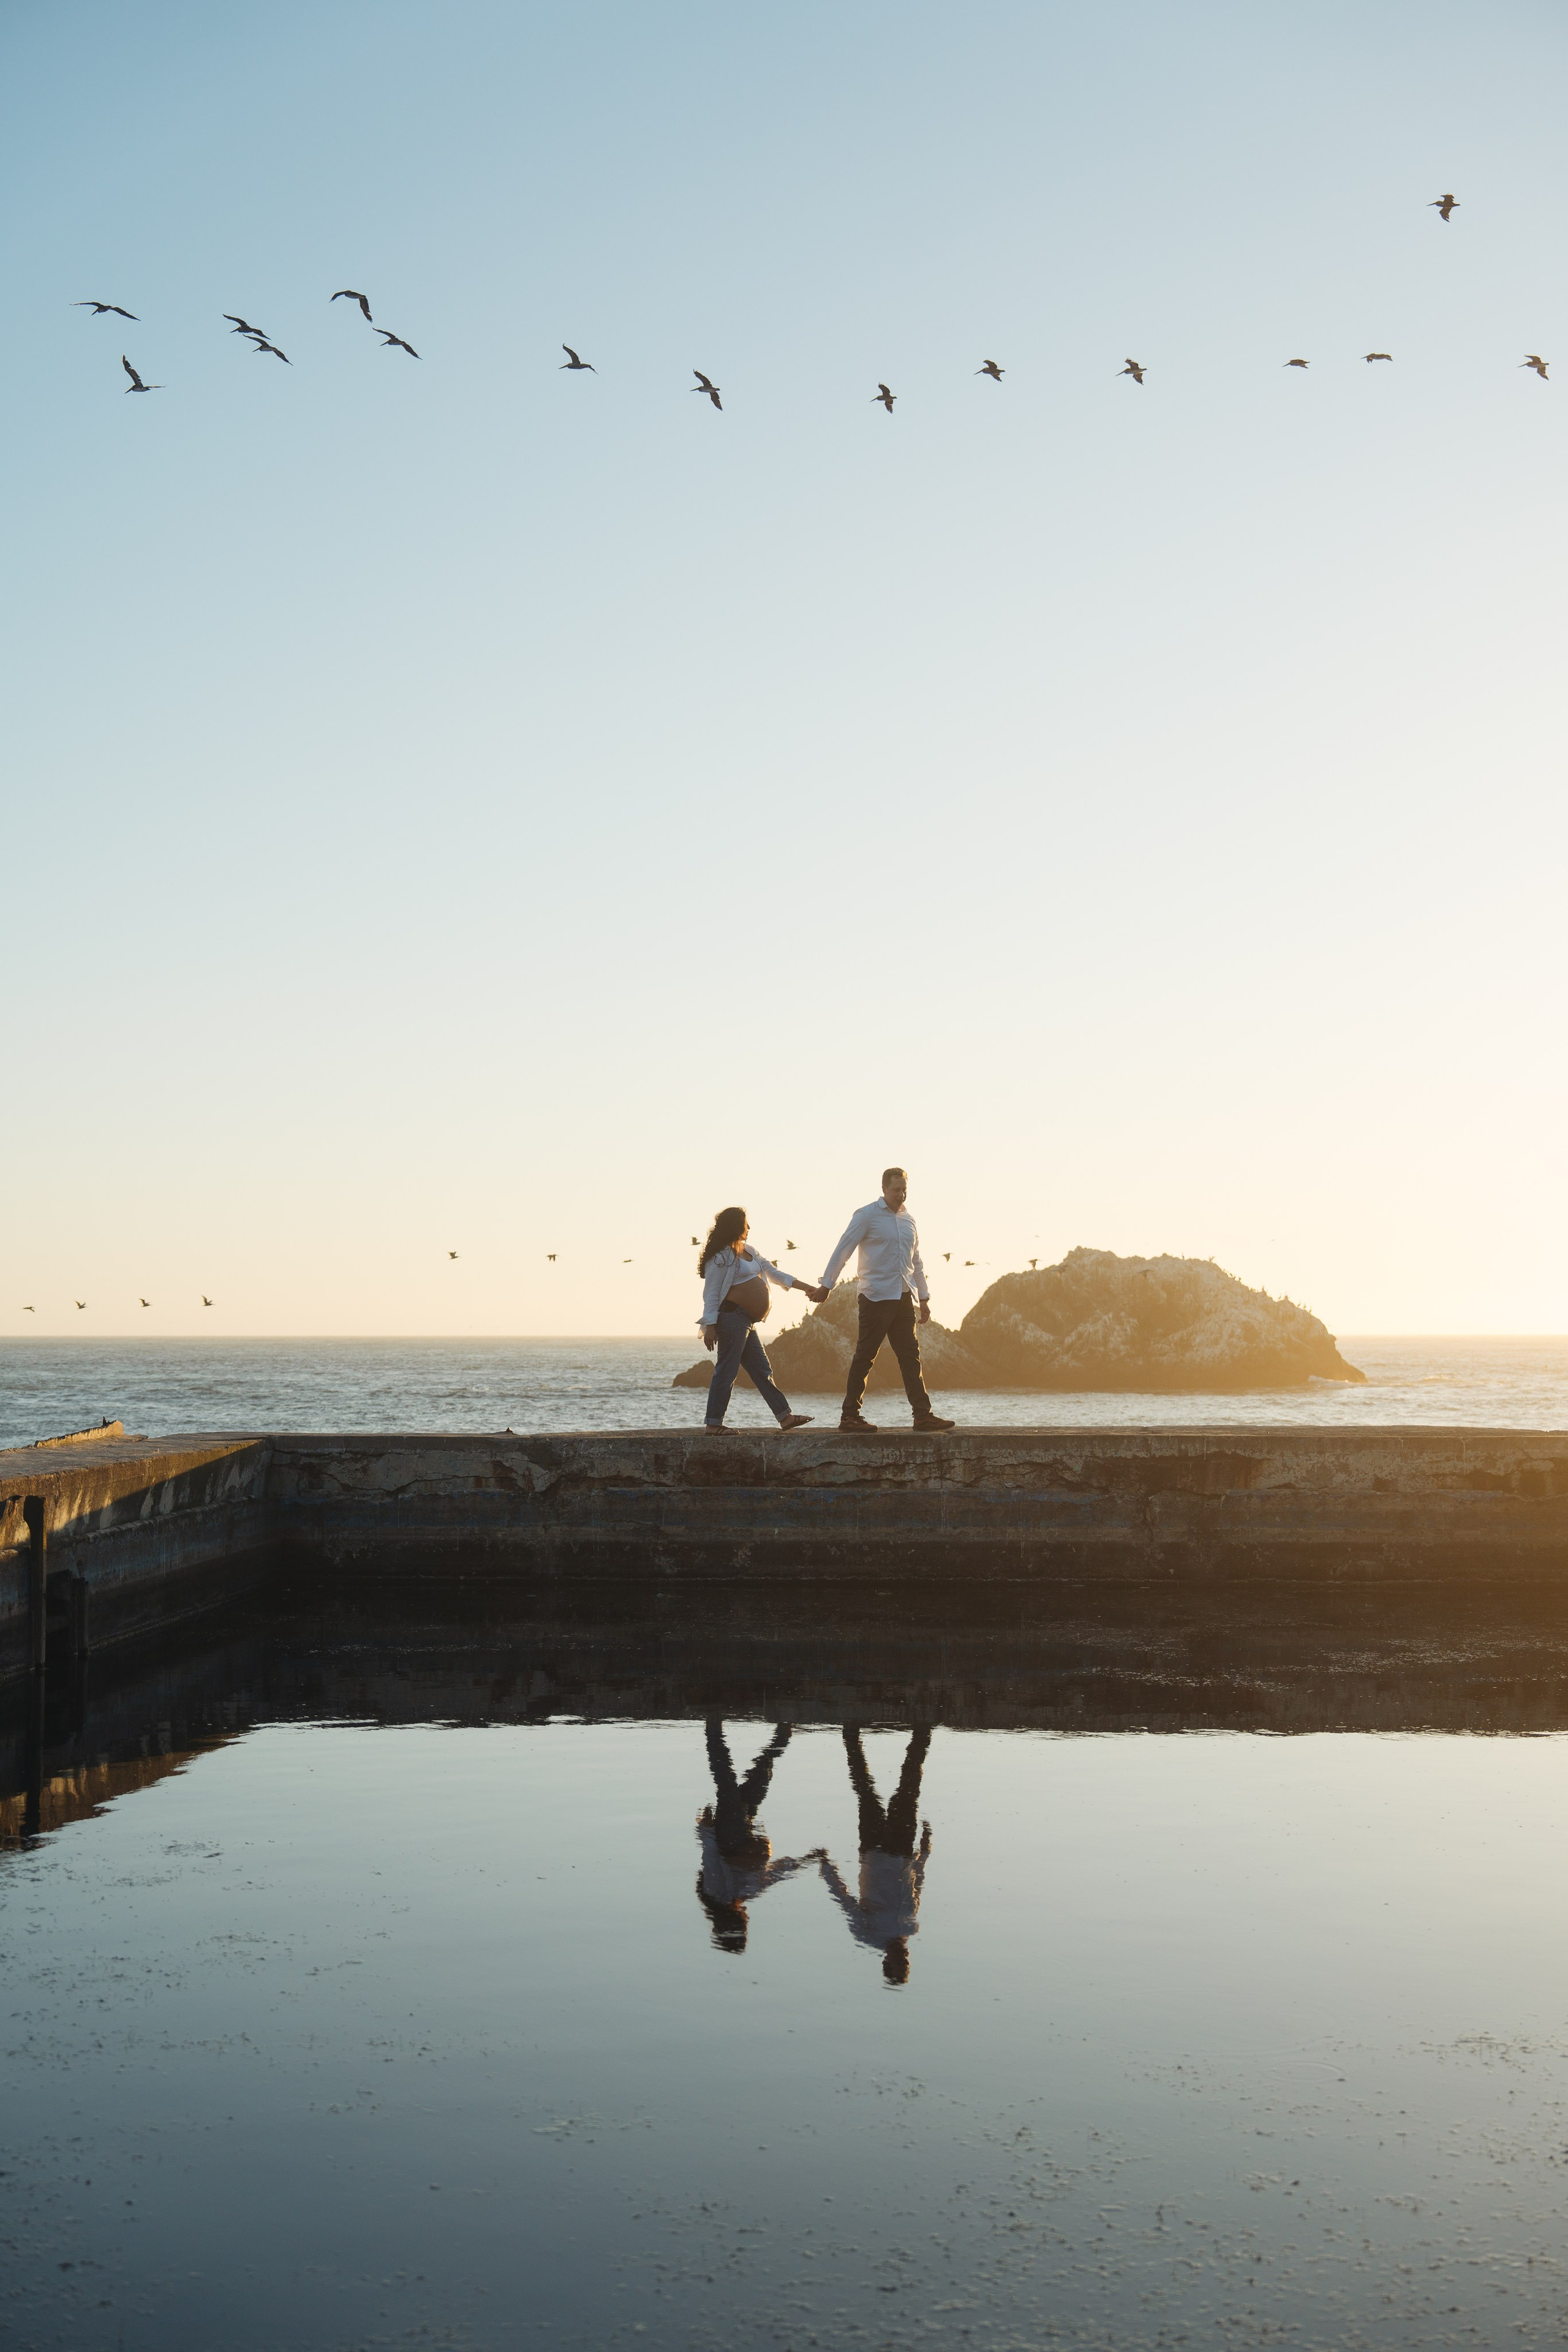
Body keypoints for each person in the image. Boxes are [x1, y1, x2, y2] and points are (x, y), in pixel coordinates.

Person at [817, 1168, 956, 1433]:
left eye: (904, 1190)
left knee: (911, 1357)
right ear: (884, 1189)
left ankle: (923, 1416)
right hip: (875, 1297)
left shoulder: (909, 1220)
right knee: (866, 1356)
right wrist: (827, 1285)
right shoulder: (866, 1215)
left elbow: (916, 1262)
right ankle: (850, 1416)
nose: (901, 1195)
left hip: (903, 1297)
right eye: (896, 1190)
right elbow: (843, 1250)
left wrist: (924, 1298)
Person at [817, 1726, 934, 1985]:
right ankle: (922, 1734)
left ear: (886, 1962)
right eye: (907, 1963)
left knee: (865, 1791)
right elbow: (915, 1884)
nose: (904, 1957)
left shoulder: (867, 1934)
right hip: (902, 1849)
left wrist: (827, 1869)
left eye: (900, 1963)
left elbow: (845, 1900)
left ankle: (851, 1736)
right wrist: (925, 1852)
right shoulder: (910, 1927)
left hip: (873, 1850)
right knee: (910, 1789)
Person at [695, 1721, 821, 1954]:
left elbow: (711, 1859)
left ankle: (714, 1727)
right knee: (761, 1776)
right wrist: (810, 1859)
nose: (746, 1920)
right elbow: (779, 1873)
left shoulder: (717, 1894)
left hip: (730, 1835)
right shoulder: (745, 1894)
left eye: (742, 1926)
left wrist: (706, 1829)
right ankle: (783, 1732)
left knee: (725, 1778)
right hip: (746, 1829)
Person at [697, 1206, 827, 1434]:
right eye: (745, 1223)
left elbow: (774, 1273)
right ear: (736, 1226)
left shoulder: (750, 1251)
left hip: (747, 1321)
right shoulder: (721, 1257)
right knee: (727, 1371)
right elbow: (711, 1293)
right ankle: (713, 1424)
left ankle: (785, 1417)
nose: (749, 1227)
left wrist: (807, 1288)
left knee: (762, 1370)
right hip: (732, 1318)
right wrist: (710, 1325)